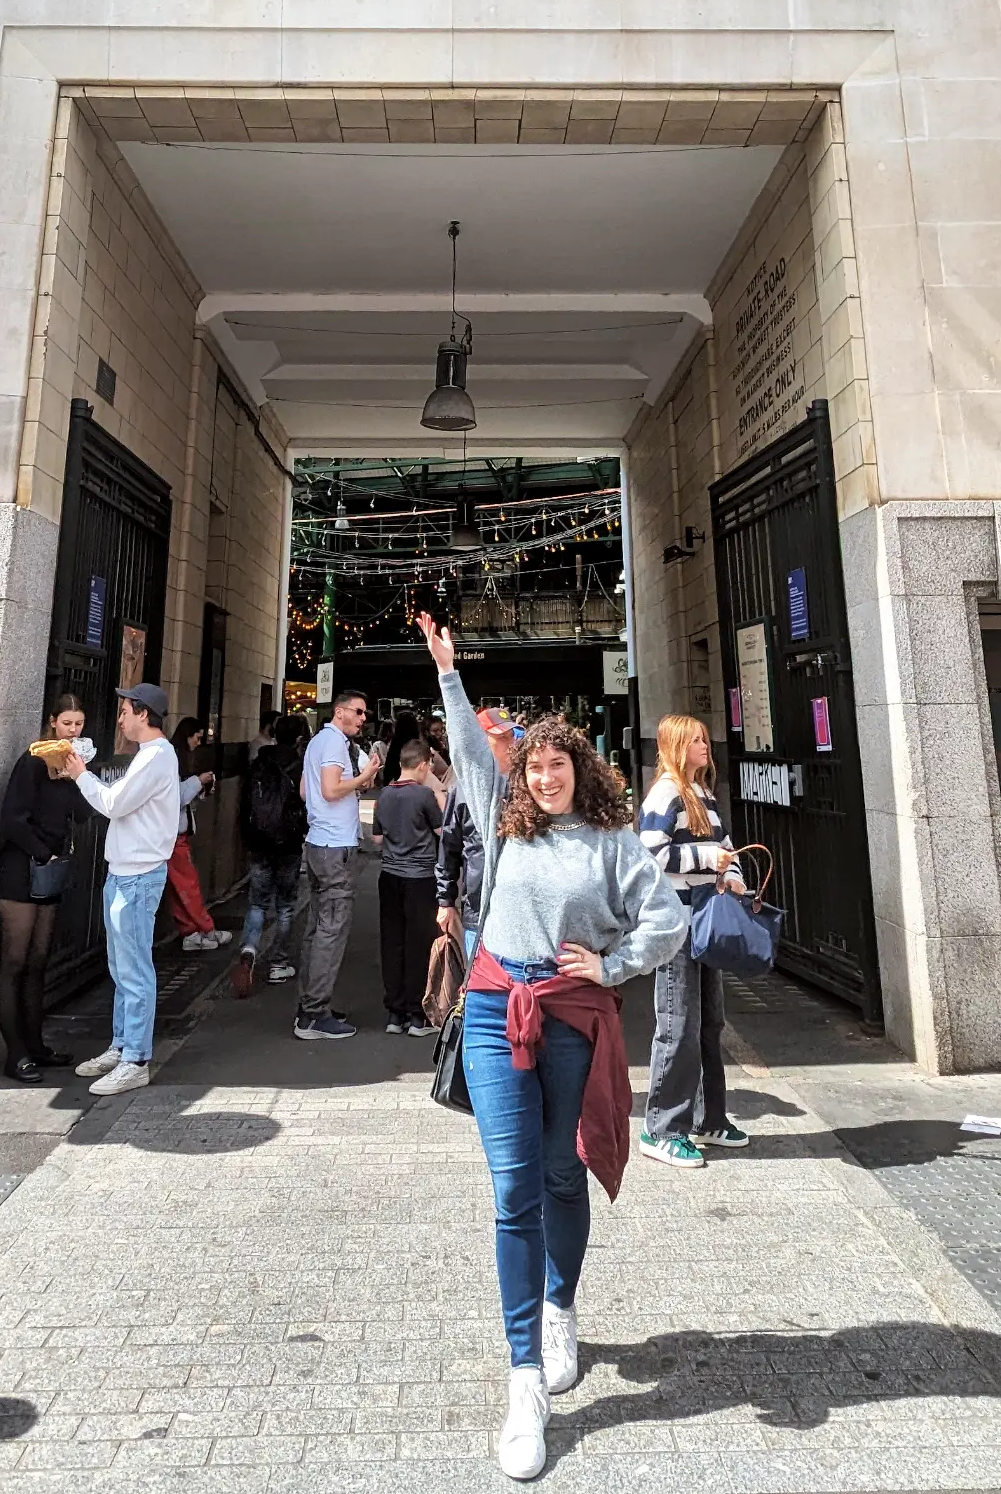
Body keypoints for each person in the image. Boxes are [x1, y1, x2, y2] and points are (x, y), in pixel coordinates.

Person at [420, 613, 687, 1482]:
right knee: (514, 1185)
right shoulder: (506, 823)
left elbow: (669, 920)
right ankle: (524, 1376)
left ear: (580, 772)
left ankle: (561, 1303)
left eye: (557, 764)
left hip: (571, 1014)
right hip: (498, 1007)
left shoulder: (613, 843)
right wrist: (450, 675)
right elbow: (467, 750)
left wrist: (611, 963)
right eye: (534, 766)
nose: (544, 775)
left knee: (561, 1168)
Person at [637, 715, 750, 1167]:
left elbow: (726, 844)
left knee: (707, 1024)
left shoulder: (701, 793)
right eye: (698, 740)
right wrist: (711, 858)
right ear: (678, 747)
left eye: (705, 739)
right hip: (678, 924)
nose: (707, 745)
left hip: (703, 920)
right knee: (678, 1025)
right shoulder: (666, 793)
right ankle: (662, 1128)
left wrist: (733, 873)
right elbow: (649, 853)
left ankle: (708, 1118)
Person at [64, 683, 181, 1096]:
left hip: (136, 876)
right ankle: (122, 1046)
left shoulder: (156, 757)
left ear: (143, 714)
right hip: (127, 874)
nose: (120, 718)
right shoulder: (150, 756)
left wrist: (81, 776)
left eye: (125, 711)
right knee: (122, 968)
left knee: (133, 970)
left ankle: (135, 1059)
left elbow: (113, 804)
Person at [0, 694, 93, 1083]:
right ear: (52, 722)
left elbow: (83, 815)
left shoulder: (65, 766)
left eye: (79, 724)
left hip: (48, 873)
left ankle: (36, 1046)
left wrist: (80, 776)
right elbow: (12, 818)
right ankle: (15, 1055)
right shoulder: (32, 761)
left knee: (38, 960)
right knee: (14, 961)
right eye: (67, 723)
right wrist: (41, 853)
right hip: (18, 871)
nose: (73, 730)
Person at [298, 686, 380, 1040]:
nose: (363, 719)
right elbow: (331, 790)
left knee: (317, 928)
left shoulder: (318, 742)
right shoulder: (334, 744)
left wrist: (353, 785)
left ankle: (310, 1005)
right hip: (335, 847)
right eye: (359, 712)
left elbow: (308, 791)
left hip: (318, 843)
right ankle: (315, 1013)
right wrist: (364, 778)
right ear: (340, 711)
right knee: (332, 929)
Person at [233, 714, 309, 997]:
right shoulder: (299, 765)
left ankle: (249, 949)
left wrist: (247, 836)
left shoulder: (259, 762)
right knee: (286, 905)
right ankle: (278, 963)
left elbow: (245, 804)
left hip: (260, 842)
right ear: (300, 738)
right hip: (288, 844)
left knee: (257, 903)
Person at [372, 736, 444, 1036]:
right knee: (419, 944)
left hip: (389, 875)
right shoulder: (425, 795)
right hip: (420, 877)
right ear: (424, 765)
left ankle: (394, 1013)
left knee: (393, 943)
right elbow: (443, 830)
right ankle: (417, 1015)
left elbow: (376, 838)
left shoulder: (385, 795)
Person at [435, 705, 517, 950]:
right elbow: (449, 847)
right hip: (478, 907)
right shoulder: (462, 790)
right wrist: (445, 901)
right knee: (480, 980)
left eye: (511, 736)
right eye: (501, 738)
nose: (511, 744)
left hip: (521, 907)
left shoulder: (527, 783)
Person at [167, 718, 232, 953]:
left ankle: (190, 933)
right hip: (173, 836)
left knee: (178, 889)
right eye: (197, 736)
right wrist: (199, 781)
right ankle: (206, 929)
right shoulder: (172, 759)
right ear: (187, 735)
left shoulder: (175, 757)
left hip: (171, 834)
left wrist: (200, 788)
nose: (199, 741)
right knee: (189, 885)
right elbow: (177, 797)